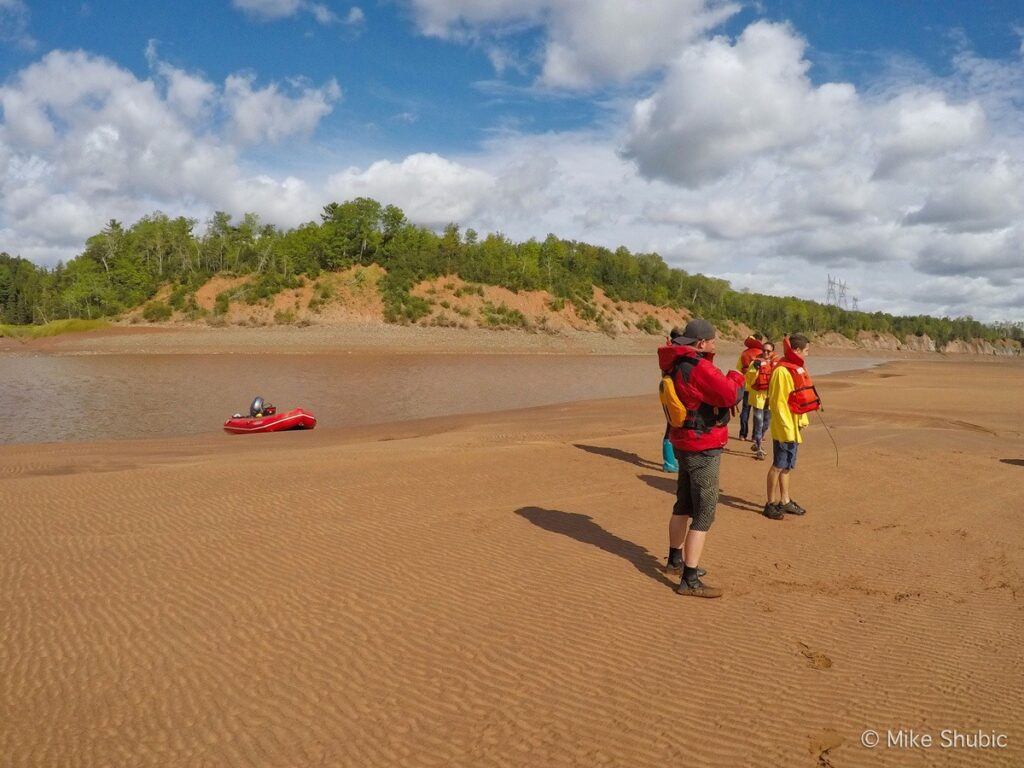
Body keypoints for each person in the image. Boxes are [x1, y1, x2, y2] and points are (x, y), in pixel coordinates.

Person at [662, 318, 745, 598]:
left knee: (683, 504)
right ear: (702, 343)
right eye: (712, 341)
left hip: (684, 441)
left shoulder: (675, 363)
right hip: (703, 445)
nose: (714, 345)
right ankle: (689, 578)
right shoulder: (698, 367)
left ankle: (675, 559)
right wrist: (737, 375)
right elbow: (731, 394)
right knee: (704, 514)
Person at [764, 334, 817, 520]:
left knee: (787, 466)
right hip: (784, 428)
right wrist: (787, 428)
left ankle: (784, 500)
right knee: (778, 465)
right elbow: (778, 404)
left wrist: (802, 422)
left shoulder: (794, 369)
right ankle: (770, 503)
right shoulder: (781, 372)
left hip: (794, 426)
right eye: (806, 351)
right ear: (796, 350)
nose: (807, 355)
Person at [745, 341, 776, 460]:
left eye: (768, 351)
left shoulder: (776, 364)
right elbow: (749, 379)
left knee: (766, 423)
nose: (766, 353)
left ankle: (758, 441)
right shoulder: (755, 363)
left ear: (772, 352)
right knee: (759, 422)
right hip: (758, 397)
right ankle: (759, 448)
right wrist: (755, 368)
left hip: (770, 398)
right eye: (764, 350)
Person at [660, 327, 684, 473]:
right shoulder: (677, 351)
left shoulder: (667, 351)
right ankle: (669, 462)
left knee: (671, 424)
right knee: (672, 426)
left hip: (666, 390)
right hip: (674, 391)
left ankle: (671, 461)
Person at [735, 333, 764, 441]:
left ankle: (742, 434)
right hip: (756, 387)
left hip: (746, 386)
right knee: (758, 412)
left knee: (745, 410)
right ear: (760, 341)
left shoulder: (744, 353)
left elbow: (738, 369)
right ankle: (755, 437)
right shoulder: (762, 353)